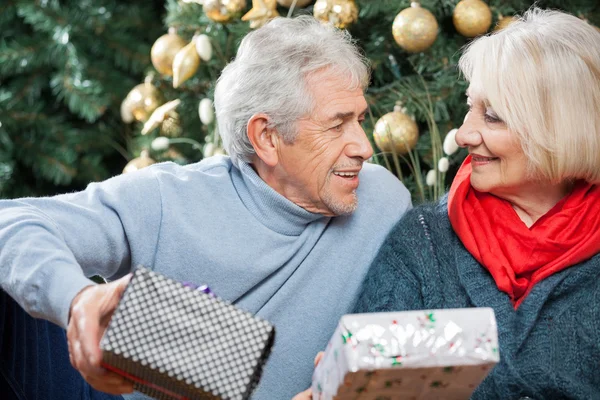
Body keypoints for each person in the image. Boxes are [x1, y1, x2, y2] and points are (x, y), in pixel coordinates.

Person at [0, 16, 412, 400]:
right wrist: (78, 300)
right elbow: (11, 222)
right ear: (267, 138)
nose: (364, 146)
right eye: (337, 125)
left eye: (360, 119)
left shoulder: (382, 201)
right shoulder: (167, 197)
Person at [294, 7, 600, 400]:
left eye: (492, 117)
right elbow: (360, 384)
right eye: (470, 107)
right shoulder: (422, 241)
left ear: (560, 131)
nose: (464, 133)